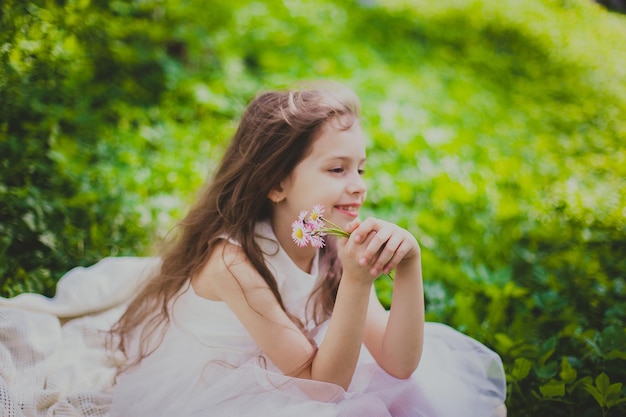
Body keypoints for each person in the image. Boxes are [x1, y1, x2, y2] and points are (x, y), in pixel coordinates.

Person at [108, 81, 507, 417]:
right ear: (276, 184)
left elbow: (399, 363)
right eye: (337, 169)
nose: (359, 185)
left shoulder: (328, 241)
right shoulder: (231, 263)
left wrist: (409, 263)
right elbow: (321, 388)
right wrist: (355, 282)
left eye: (360, 168)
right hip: (224, 380)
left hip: (304, 369)